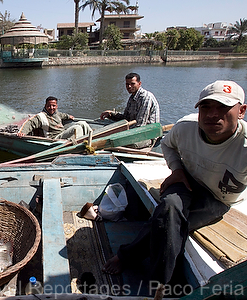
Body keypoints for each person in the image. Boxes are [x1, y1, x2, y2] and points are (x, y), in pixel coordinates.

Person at [102, 80, 247, 291]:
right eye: (206, 107)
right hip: (185, 180)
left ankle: (131, 260)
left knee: (171, 225)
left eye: (223, 108)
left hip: (218, 198)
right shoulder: (186, 128)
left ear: (241, 111)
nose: (213, 114)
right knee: (169, 206)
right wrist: (177, 170)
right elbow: (167, 145)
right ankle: (162, 285)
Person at [17, 96, 91, 140]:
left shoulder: (57, 114)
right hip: (54, 138)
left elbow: (63, 115)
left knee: (83, 123)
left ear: (56, 106)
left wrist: (69, 116)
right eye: (49, 106)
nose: (51, 108)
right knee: (77, 128)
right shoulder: (41, 116)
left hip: (62, 133)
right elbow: (30, 123)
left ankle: (92, 139)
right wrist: (22, 132)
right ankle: (79, 147)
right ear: (45, 105)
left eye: (54, 106)